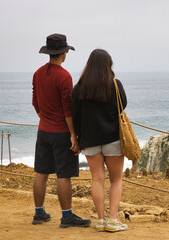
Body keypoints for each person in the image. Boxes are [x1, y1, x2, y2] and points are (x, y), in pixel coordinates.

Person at [32, 33, 91, 228]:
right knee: (63, 175)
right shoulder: (64, 76)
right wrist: (73, 134)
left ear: (49, 53)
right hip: (61, 133)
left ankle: (39, 213)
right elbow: (68, 110)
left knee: (41, 173)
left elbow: (35, 103)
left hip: (43, 131)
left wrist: (45, 119)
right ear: (64, 53)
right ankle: (67, 217)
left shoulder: (37, 73)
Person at [72, 49, 128, 232]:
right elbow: (123, 104)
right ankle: (113, 220)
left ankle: (101, 220)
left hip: (89, 141)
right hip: (113, 139)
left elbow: (76, 116)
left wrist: (78, 138)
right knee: (116, 179)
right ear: (108, 65)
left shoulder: (80, 88)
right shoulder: (115, 85)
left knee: (97, 179)